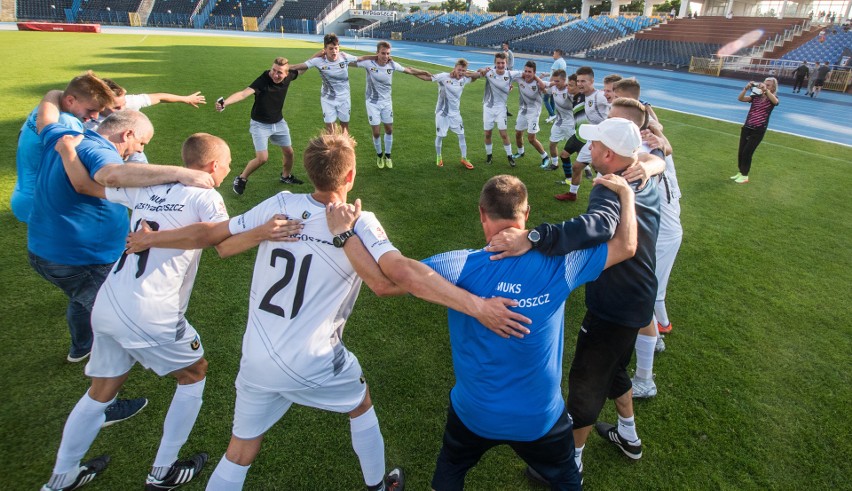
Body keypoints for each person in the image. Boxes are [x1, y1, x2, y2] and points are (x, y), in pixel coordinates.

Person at [203, 129, 527, 490]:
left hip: (256, 356)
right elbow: (387, 283)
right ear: (351, 177)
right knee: (360, 404)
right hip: (313, 356)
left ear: (309, 172)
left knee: (240, 450)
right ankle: (378, 485)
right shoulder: (360, 221)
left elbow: (223, 245)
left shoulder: (279, 203)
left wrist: (261, 233)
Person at [325, 173, 638, 490]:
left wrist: (346, 234)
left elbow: (386, 282)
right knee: (568, 481)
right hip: (540, 419)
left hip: (474, 414)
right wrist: (626, 195)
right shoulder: (562, 266)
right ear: (526, 214)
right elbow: (626, 245)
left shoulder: (459, 265)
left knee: (450, 473)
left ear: (481, 214)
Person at [39, 133, 235, 491]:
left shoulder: (148, 187)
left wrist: (67, 150)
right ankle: (162, 472)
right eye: (227, 165)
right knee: (194, 373)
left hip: (109, 302)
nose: (227, 170)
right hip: (151, 310)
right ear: (212, 167)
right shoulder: (207, 195)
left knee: (101, 390)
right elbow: (216, 237)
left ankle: (62, 476)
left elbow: (83, 184)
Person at [486, 117, 664, 478]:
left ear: (611, 154)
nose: (590, 148)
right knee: (612, 366)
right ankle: (628, 436)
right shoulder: (642, 174)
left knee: (585, 383)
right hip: (640, 296)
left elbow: (596, 225)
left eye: (595, 144)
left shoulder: (608, 186)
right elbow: (654, 156)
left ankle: (570, 463)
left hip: (614, 302)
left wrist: (533, 238)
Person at [29, 92, 214, 424]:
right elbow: (108, 177)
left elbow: (46, 119)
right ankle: (104, 403)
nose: (140, 151)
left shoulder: (64, 135)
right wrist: (180, 173)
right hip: (75, 256)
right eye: (141, 143)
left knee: (85, 300)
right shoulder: (99, 150)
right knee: (116, 311)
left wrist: (55, 96)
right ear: (127, 133)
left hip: (45, 250)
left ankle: (80, 346)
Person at [11, 71, 114, 223]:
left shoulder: (44, 109)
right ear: (70, 100)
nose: (95, 116)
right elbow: (80, 170)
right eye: (91, 110)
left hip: (24, 195)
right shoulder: (67, 123)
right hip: (45, 202)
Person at [217, 57, 307, 195]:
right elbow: (243, 93)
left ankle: (285, 176)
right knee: (262, 158)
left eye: (280, 72)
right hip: (260, 125)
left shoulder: (289, 77)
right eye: (273, 70)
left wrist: (320, 54)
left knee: (289, 152)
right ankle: (241, 178)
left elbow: (305, 67)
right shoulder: (263, 80)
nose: (275, 75)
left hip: (278, 122)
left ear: (287, 74)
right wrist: (225, 103)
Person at [88, 78, 206, 163]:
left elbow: (159, 97)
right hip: (105, 156)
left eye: (123, 104)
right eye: (116, 108)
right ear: (100, 105)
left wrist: (185, 99)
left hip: (132, 150)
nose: (123, 110)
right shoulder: (85, 121)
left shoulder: (129, 102)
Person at [355, 41, 431, 169]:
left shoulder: (392, 65)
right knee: (377, 133)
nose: (385, 56)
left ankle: (388, 156)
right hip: (372, 103)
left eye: (388, 53)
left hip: (386, 103)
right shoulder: (369, 64)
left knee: (389, 130)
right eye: (383, 53)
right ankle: (379, 156)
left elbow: (409, 70)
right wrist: (370, 57)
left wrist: (424, 72)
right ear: (377, 53)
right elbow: (351, 61)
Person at [555, 67, 610, 201]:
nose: (580, 84)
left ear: (592, 81)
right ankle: (572, 194)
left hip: (604, 141)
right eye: (578, 81)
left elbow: (618, 100)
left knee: (604, 171)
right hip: (592, 139)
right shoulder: (583, 96)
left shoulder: (600, 96)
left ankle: (609, 199)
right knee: (577, 166)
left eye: (583, 81)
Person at [291, 33, 359, 134]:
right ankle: (331, 149)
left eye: (336, 48)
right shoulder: (319, 61)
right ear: (325, 49)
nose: (334, 51)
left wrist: (377, 57)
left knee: (344, 129)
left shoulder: (344, 57)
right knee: (330, 131)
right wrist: (282, 68)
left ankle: (346, 149)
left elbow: (362, 60)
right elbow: (300, 67)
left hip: (344, 98)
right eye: (331, 48)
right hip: (327, 99)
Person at [425, 59, 482, 169]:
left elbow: (477, 76)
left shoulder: (464, 79)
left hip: (455, 114)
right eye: (459, 70)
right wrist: (410, 71)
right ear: (454, 68)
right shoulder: (444, 76)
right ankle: (439, 156)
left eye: (463, 70)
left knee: (461, 135)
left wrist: (468, 73)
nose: (461, 72)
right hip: (442, 113)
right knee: (440, 136)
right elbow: (427, 77)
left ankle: (464, 158)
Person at [477, 52, 521, 167]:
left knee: (503, 134)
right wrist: (481, 69)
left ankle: (510, 156)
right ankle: (489, 156)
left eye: (502, 63)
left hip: (501, 109)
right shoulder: (489, 73)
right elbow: (476, 73)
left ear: (506, 63)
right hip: (488, 107)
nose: (500, 65)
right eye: (498, 63)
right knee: (487, 133)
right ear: (494, 63)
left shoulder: (511, 74)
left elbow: (527, 75)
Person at [732, 77, 779, 184]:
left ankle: (745, 176)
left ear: (773, 88)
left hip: (758, 130)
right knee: (741, 152)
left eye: (769, 85)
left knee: (747, 153)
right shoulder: (756, 96)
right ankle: (740, 172)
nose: (765, 86)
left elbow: (775, 102)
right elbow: (740, 98)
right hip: (747, 127)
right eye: (765, 84)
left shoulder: (773, 97)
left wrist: (766, 91)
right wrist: (746, 88)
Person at [510, 61, 549, 168]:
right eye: (525, 71)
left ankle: (545, 156)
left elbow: (546, 89)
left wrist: (537, 79)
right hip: (523, 110)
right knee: (518, 133)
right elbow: (507, 75)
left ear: (534, 73)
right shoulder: (519, 78)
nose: (527, 74)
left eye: (530, 72)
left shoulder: (538, 83)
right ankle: (520, 152)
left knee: (531, 139)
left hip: (534, 113)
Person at [543, 69, 576, 171]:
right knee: (552, 144)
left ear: (564, 80)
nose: (555, 83)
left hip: (570, 123)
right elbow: (545, 90)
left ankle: (587, 168)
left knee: (578, 147)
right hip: (558, 122)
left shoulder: (570, 90)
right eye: (554, 81)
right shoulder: (554, 87)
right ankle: (555, 164)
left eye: (557, 81)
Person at [543, 49, 568, 123]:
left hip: (553, 83)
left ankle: (552, 114)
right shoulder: (563, 62)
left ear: (557, 54)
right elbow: (557, 73)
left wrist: (549, 84)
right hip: (559, 83)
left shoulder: (557, 62)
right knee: (552, 99)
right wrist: (546, 74)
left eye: (554, 54)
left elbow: (554, 74)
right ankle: (551, 117)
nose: (553, 55)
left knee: (545, 99)